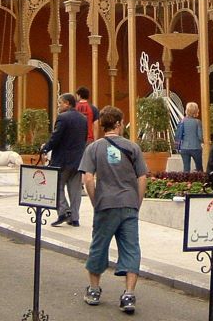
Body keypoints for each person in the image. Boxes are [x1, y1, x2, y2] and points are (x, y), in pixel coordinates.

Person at [78, 105, 148, 314]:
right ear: (118, 124)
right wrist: (137, 202)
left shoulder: (93, 148)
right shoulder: (133, 147)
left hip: (105, 204)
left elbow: (87, 178)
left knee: (99, 246)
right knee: (131, 248)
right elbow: (142, 177)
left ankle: (94, 290)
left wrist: (95, 201)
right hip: (128, 203)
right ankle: (128, 294)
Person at [42, 92, 88, 226]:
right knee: (75, 190)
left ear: (67, 103)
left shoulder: (62, 118)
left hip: (62, 160)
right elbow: (84, 139)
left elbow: (56, 137)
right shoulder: (83, 119)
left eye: (60, 103)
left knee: (56, 186)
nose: (59, 106)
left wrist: (45, 148)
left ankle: (63, 212)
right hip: (78, 160)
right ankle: (74, 218)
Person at [174, 102, 203, 172]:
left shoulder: (182, 121)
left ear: (187, 110)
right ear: (196, 111)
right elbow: (200, 136)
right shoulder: (197, 122)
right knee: (199, 168)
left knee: (186, 168)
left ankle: (186, 179)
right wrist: (203, 141)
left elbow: (177, 135)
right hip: (196, 147)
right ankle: (200, 178)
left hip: (184, 148)